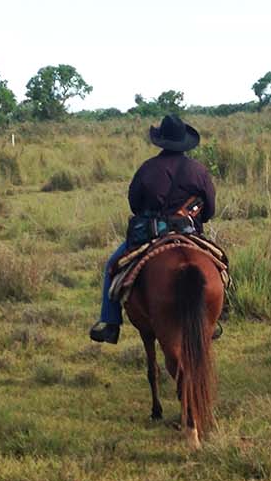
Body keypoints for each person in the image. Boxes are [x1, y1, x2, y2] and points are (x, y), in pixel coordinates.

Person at [89, 113, 217, 344]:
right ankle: (214, 318)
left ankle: (110, 323)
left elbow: (134, 204)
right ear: (184, 142)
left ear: (161, 141)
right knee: (221, 265)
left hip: (150, 233)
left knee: (112, 265)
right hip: (189, 233)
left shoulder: (147, 169)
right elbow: (209, 211)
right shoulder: (199, 170)